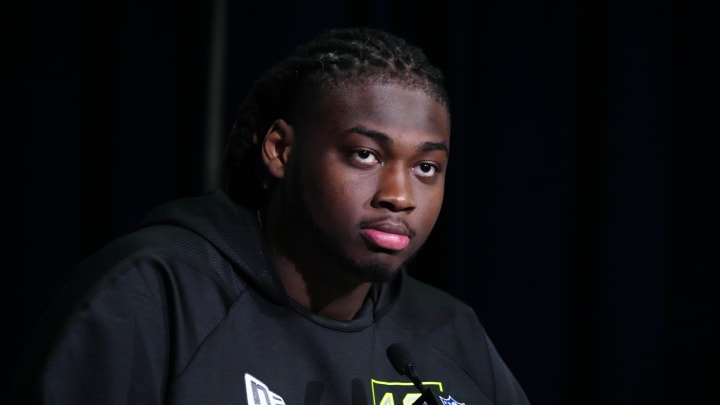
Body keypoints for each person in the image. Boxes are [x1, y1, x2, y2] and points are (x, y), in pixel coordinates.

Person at [8, 27, 530, 405]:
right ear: (280, 149)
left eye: (426, 167)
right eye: (365, 155)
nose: (399, 196)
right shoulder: (154, 294)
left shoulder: (449, 333)